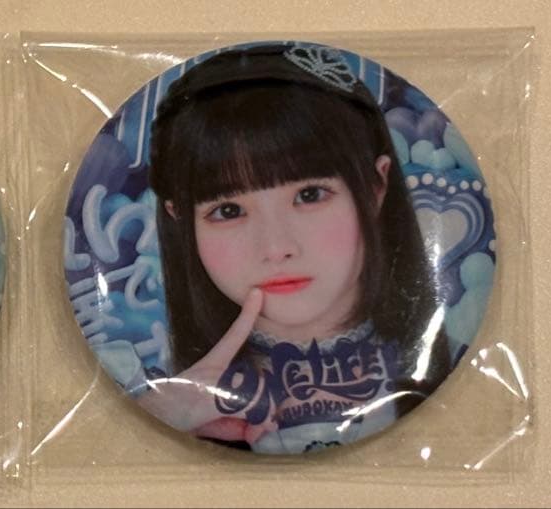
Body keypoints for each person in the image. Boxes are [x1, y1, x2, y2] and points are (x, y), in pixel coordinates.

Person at [139, 44, 452, 454]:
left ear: (377, 185)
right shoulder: (165, 401)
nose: (276, 247)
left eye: (309, 194)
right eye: (228, 210)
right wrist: (155, 421)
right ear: (179, 217)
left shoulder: (447, 385)